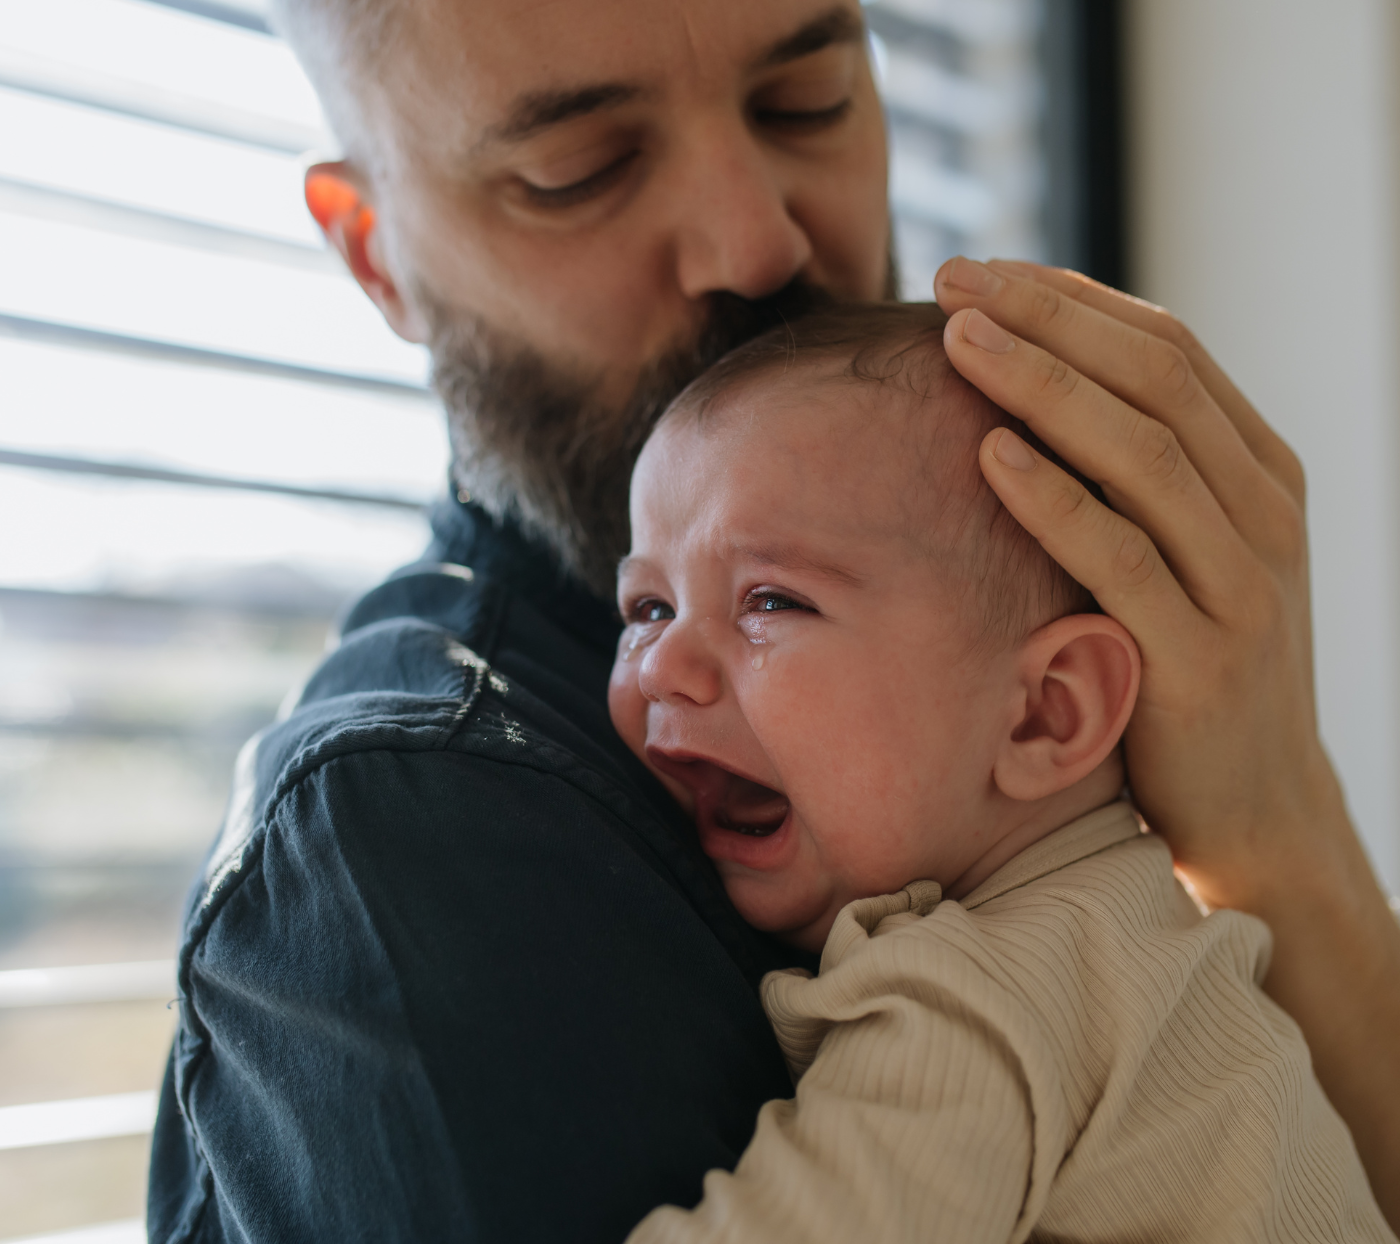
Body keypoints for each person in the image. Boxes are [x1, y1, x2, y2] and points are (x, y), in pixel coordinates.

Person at [146, 1, 1400, 1240]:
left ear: (1052, 707)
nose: (754, 242)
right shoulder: (419, 821)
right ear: (374, 255)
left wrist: (1274, 822)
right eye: (577, 170)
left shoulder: (1014, 862)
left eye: (808, 101)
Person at [609, 303, 1393, 1242]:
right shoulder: (1132, 936)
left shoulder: (979, 995)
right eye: (648, 605)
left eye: (771, 601)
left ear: (1044, 713)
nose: (659, 666)